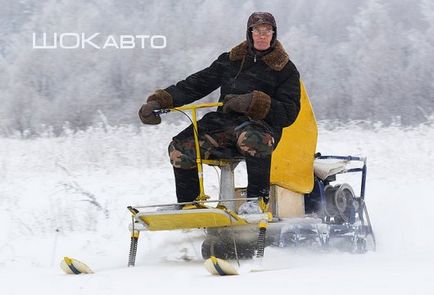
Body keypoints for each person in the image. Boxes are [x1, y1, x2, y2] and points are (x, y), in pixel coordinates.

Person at [138, 12, 301, 214]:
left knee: (251, 138)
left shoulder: (285, 70)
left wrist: (253, 102)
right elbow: (195, 85)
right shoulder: (231, 61)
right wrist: (160, 100)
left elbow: (289, 112)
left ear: (274, 34)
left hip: (261, 128)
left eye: (267, 30)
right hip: (223, 126)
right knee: (180, 147)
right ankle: (190, 205)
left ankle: (256, 202)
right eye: (257, 30)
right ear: (249, 33)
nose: (262, 35)